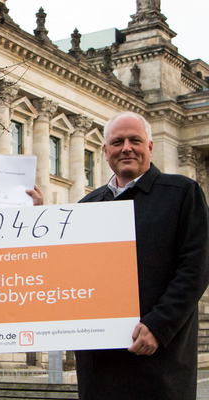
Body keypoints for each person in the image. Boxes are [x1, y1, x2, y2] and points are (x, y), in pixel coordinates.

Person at [75, 111, 209, 400]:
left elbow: (196, 268)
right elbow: (67, 270)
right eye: (117, 141)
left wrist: (159, 326)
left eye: (135, 140)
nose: (126, 147)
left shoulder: (183, 193)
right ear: (105, 150)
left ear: (149, 146)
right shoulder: (86, 204)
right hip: (99, 366)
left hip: (159, 361)